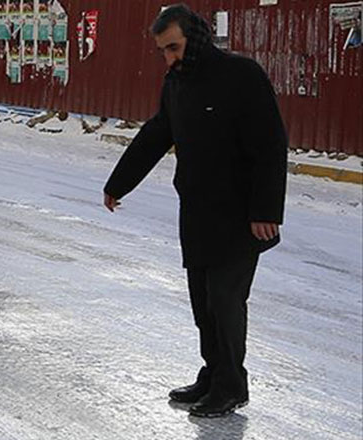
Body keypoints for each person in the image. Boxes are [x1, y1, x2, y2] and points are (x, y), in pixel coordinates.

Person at [102, 4, 287, 418]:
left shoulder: (242, 76)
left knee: (225, 301)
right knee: (202, 303)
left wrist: (266, 210)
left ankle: (231, 386)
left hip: (241, 216)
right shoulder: (177, 84)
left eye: (174, 48)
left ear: (196, 37)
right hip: (198, 213)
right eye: (163, 51)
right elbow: (155, 136)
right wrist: (118, 184)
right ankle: (214, 374)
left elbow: (270, 145)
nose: (169, 59)